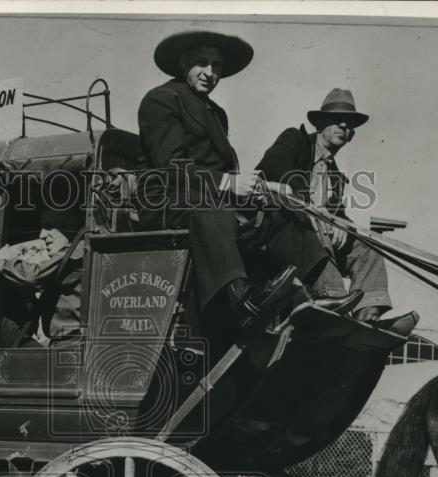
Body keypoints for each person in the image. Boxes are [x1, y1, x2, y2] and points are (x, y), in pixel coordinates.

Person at [135, 30, 360, 342]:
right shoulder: (161, 100)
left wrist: (267, 189)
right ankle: (241, 299)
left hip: (208, 198)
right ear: (182, 62)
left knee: (281, 208)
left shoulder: (216, 113)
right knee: (213, 210)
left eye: (216, 65)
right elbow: (170, 167)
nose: (210, 72)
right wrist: (228, 183)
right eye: (202, 62)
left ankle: (324, 293)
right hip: (168, 202)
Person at [256, 88, 419, 335]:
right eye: (337, 120)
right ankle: (331, 298)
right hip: (278, 233)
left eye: (350, 123)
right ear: (320, 123)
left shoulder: (335, 177)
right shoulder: (294, 140)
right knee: (317, 224)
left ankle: (368, 316)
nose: (344, 125)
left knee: (369, 245)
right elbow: (275, 169)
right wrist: (315, 210)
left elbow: (339, 215)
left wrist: (343, 225)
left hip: (314, 241)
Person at [0, 207, 85, 395]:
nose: (42, 235)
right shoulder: (71, 254)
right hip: (60, 352)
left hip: (65, 357)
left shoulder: (76, 252)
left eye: (49, 227)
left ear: (69, 227)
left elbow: (32, 276)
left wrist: (4, 261)